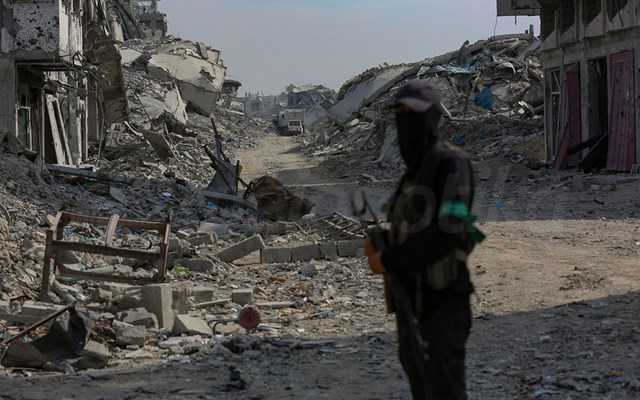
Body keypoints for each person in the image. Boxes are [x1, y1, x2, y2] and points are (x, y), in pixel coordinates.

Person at [365, 80, 484, 399]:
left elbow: (449, 233)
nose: (406, 122)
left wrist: (387, 259)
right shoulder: (415, 171)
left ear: (432, 117)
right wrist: (383, 240)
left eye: (414, 114)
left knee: (444, 389)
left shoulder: (451, 164)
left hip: (442, 303)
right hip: (411, 300)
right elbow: (414, 227)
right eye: (400, 114)